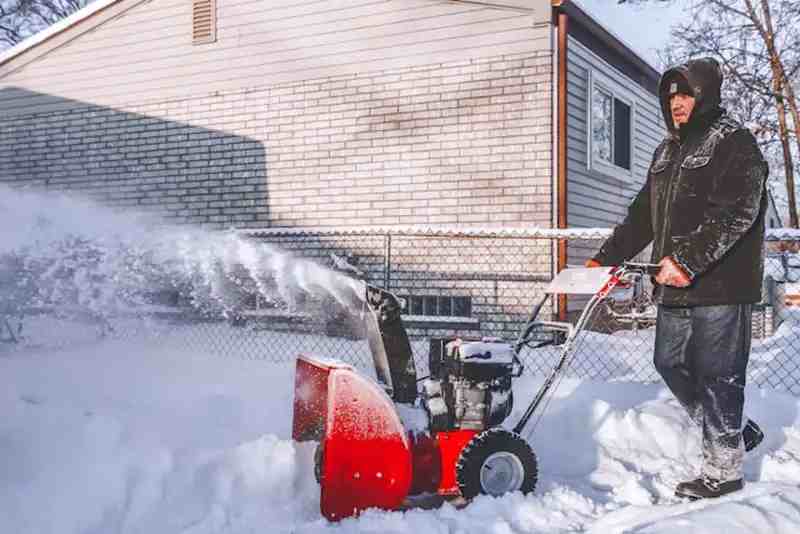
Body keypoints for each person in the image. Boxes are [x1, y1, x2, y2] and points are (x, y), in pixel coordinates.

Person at [586, 57, 768, 500]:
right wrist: (604, 259)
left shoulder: (735, 143)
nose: (676, 104)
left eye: (685, 94)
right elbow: (642, 216)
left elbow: (736, 212)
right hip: (674, 284)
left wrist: (687, 259)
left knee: (718, 374)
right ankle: (733, 431)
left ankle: (724, 471)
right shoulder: (666, 151)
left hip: (720, 284)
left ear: (704, 94)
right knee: (669, 362)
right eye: (669, 97)